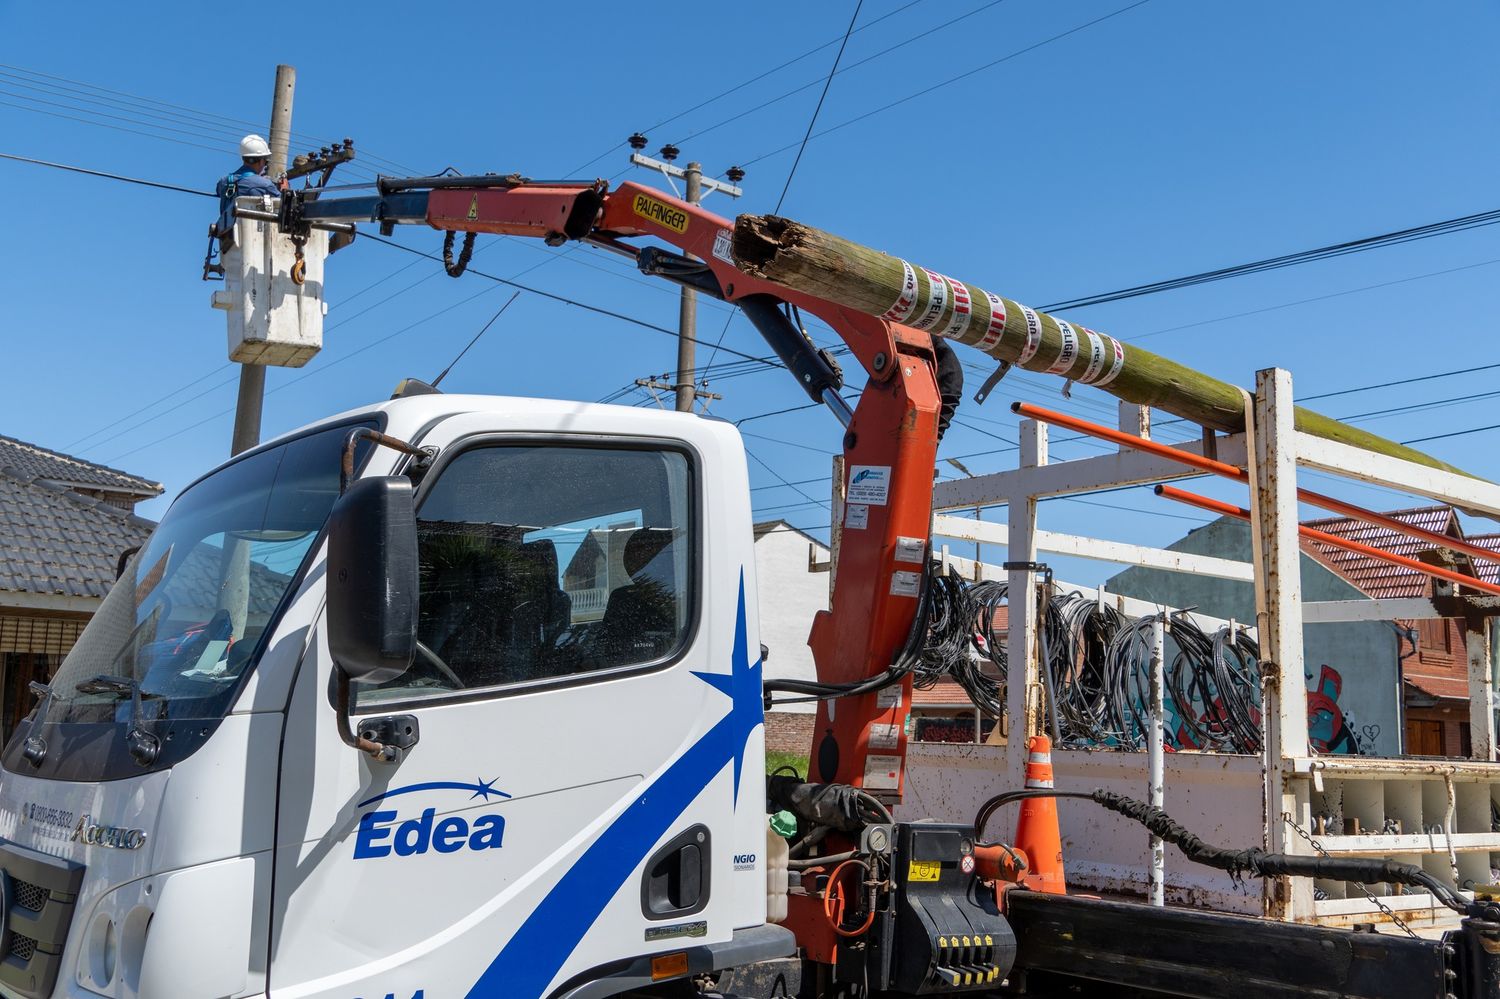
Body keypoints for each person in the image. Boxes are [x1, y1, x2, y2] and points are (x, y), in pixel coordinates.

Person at [214, 134, 283, 243]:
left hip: (227, 241)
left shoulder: (223, 181)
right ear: (261, 161)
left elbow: (220, 190)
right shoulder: (265, 184)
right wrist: (284, 189)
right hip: (252, 240)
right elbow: (282, 203)